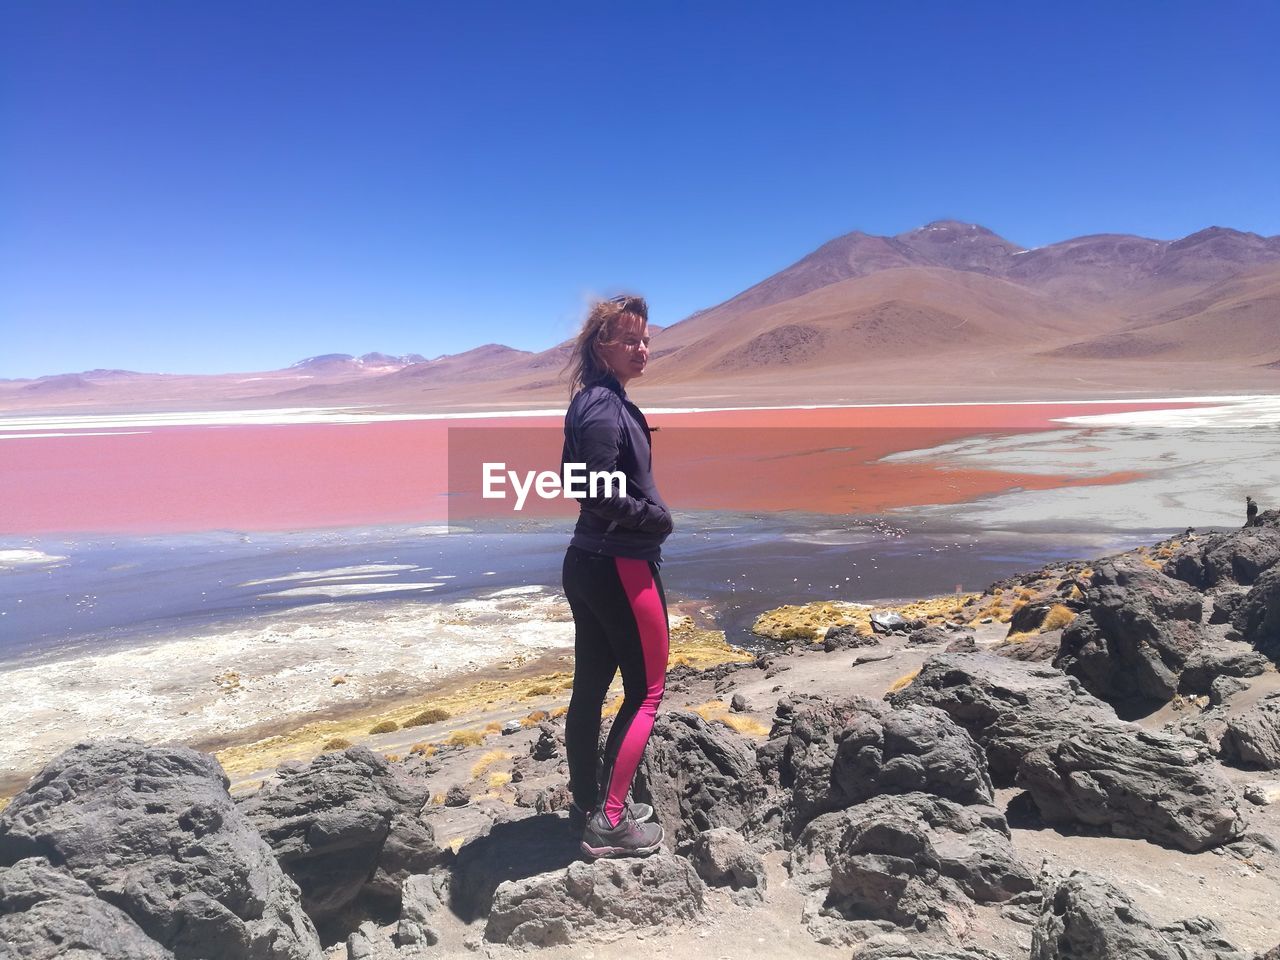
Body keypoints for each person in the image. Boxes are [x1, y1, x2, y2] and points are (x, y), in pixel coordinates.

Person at [560, 294, 672, 858]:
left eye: (645, 339)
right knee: (647, 692)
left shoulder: (591, 401)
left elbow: (573, 478)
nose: (642, 348)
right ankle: (608, 820)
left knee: (591, 689)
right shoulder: (605, 406)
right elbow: (591, 487)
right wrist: (655, 519)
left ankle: (589, 802)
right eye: (629, 339)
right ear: (601, 346)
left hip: (588, 562)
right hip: (620, 565)